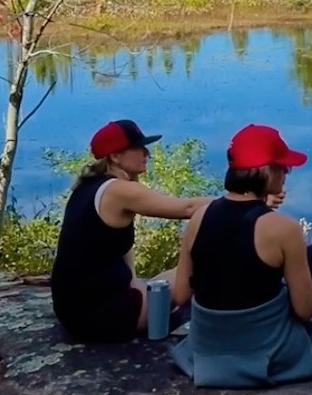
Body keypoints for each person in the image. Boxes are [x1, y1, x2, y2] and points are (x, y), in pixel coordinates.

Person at [170, 124, 312, 388]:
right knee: (305, 259)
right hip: (264, 352)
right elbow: (305, 311)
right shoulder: (284, 229)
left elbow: (181, 295)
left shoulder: (198, 219)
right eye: (283, 167)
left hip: (208, 352)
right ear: (265, 171)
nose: (287, 173)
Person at [51, 119, 211, 343]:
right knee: (203, 265)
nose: (147, 154)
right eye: (139, 148)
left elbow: (119, 247)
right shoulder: (120, 190)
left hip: (75, 311)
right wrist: (245, 204)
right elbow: (188, 208)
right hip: (105, 315)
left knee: (171, 278)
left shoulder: (87, 187)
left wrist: (134, 282)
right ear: (115, 156)